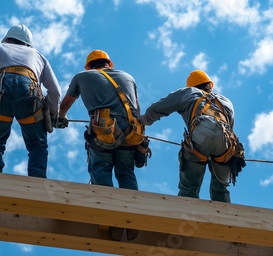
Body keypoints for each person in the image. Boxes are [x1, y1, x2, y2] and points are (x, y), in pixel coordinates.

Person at [57, 50, 145, 241]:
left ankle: (110, 217)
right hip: (130, 131)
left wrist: (60, 118)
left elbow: (64, 107)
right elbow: (137, 110)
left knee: (101, 169)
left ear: (90, 65)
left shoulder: (82, 76)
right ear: (108, 63)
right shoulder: (128, 77)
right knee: (126, 172)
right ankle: (132, 217)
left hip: (103, 130)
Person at [0, 24, 61, 178]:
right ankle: (37, 183)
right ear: (28, 43)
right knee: (37, 144)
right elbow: (55, 90)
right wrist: (52, 114)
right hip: (29, 96)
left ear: (7, 39)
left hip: (0, 94)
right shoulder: (38, 56)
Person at [140, 70, 245, 203]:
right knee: (220, 188)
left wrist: (142, 121)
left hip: (200, 136)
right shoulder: (226, 101)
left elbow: (158, 108)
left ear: (191, 86)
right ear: (210, 85)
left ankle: (187, 218)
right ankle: (223, 221)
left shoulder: (186, 92)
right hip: (224, 141)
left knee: (189, 188)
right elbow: (231, 128)